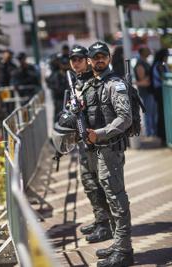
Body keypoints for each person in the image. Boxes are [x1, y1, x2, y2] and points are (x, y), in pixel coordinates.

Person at [83, 41, 133, 267]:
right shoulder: (90, 84)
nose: (99, 60)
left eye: (103, 56)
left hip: (110, 149)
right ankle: (117, 242)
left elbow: (125, 117)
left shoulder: (115, 84)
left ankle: (124, 251)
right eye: (95, 57)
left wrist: (100, 134)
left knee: (116, 198)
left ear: (109, 59)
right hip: (95, 150)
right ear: (90, 61)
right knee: (107, 196)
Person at [68, 44, 113, 243]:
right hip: (82, 139)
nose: (76, 63)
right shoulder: (76, 82)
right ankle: (100, 219)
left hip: (97, 140)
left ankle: (106, 225)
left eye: (80, 59)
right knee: (88, 182)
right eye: (73, 60)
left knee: (100, 183)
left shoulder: (94, 80)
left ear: (88, 60)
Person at [134, 46, 157, 137]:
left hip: (149, 91)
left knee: (151, 113)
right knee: (148, 113)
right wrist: (151, 77)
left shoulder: (144, 62)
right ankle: (149, 132)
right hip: (146, 92)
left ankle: (151, 131)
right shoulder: (140, 64)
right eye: (147, 50)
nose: (149, 51)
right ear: (142, 52)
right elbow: (142, 80)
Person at [151, 48, 169, 146]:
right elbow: (163, 77)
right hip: (161, 92)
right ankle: (163, 137)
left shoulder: (158, 64)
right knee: (163, 115)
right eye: (166, 56)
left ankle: (164, 136)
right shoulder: (160, 65)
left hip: (160, 92)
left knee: (162, 114)